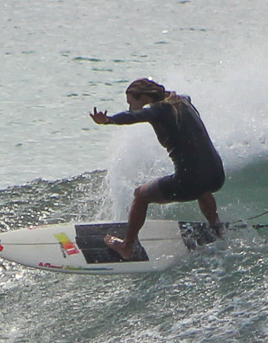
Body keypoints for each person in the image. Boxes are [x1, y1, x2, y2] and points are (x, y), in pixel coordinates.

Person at [90, 78, 225, 259]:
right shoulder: (182, 100)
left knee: (140, 195)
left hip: (189, 182)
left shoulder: (158, 111)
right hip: (217, 175)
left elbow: (133, 116)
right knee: (202, 185)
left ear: (143, 97)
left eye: (131, 102)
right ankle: (217, 229)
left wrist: (108, 120)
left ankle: (126, 246)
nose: (130, 107)